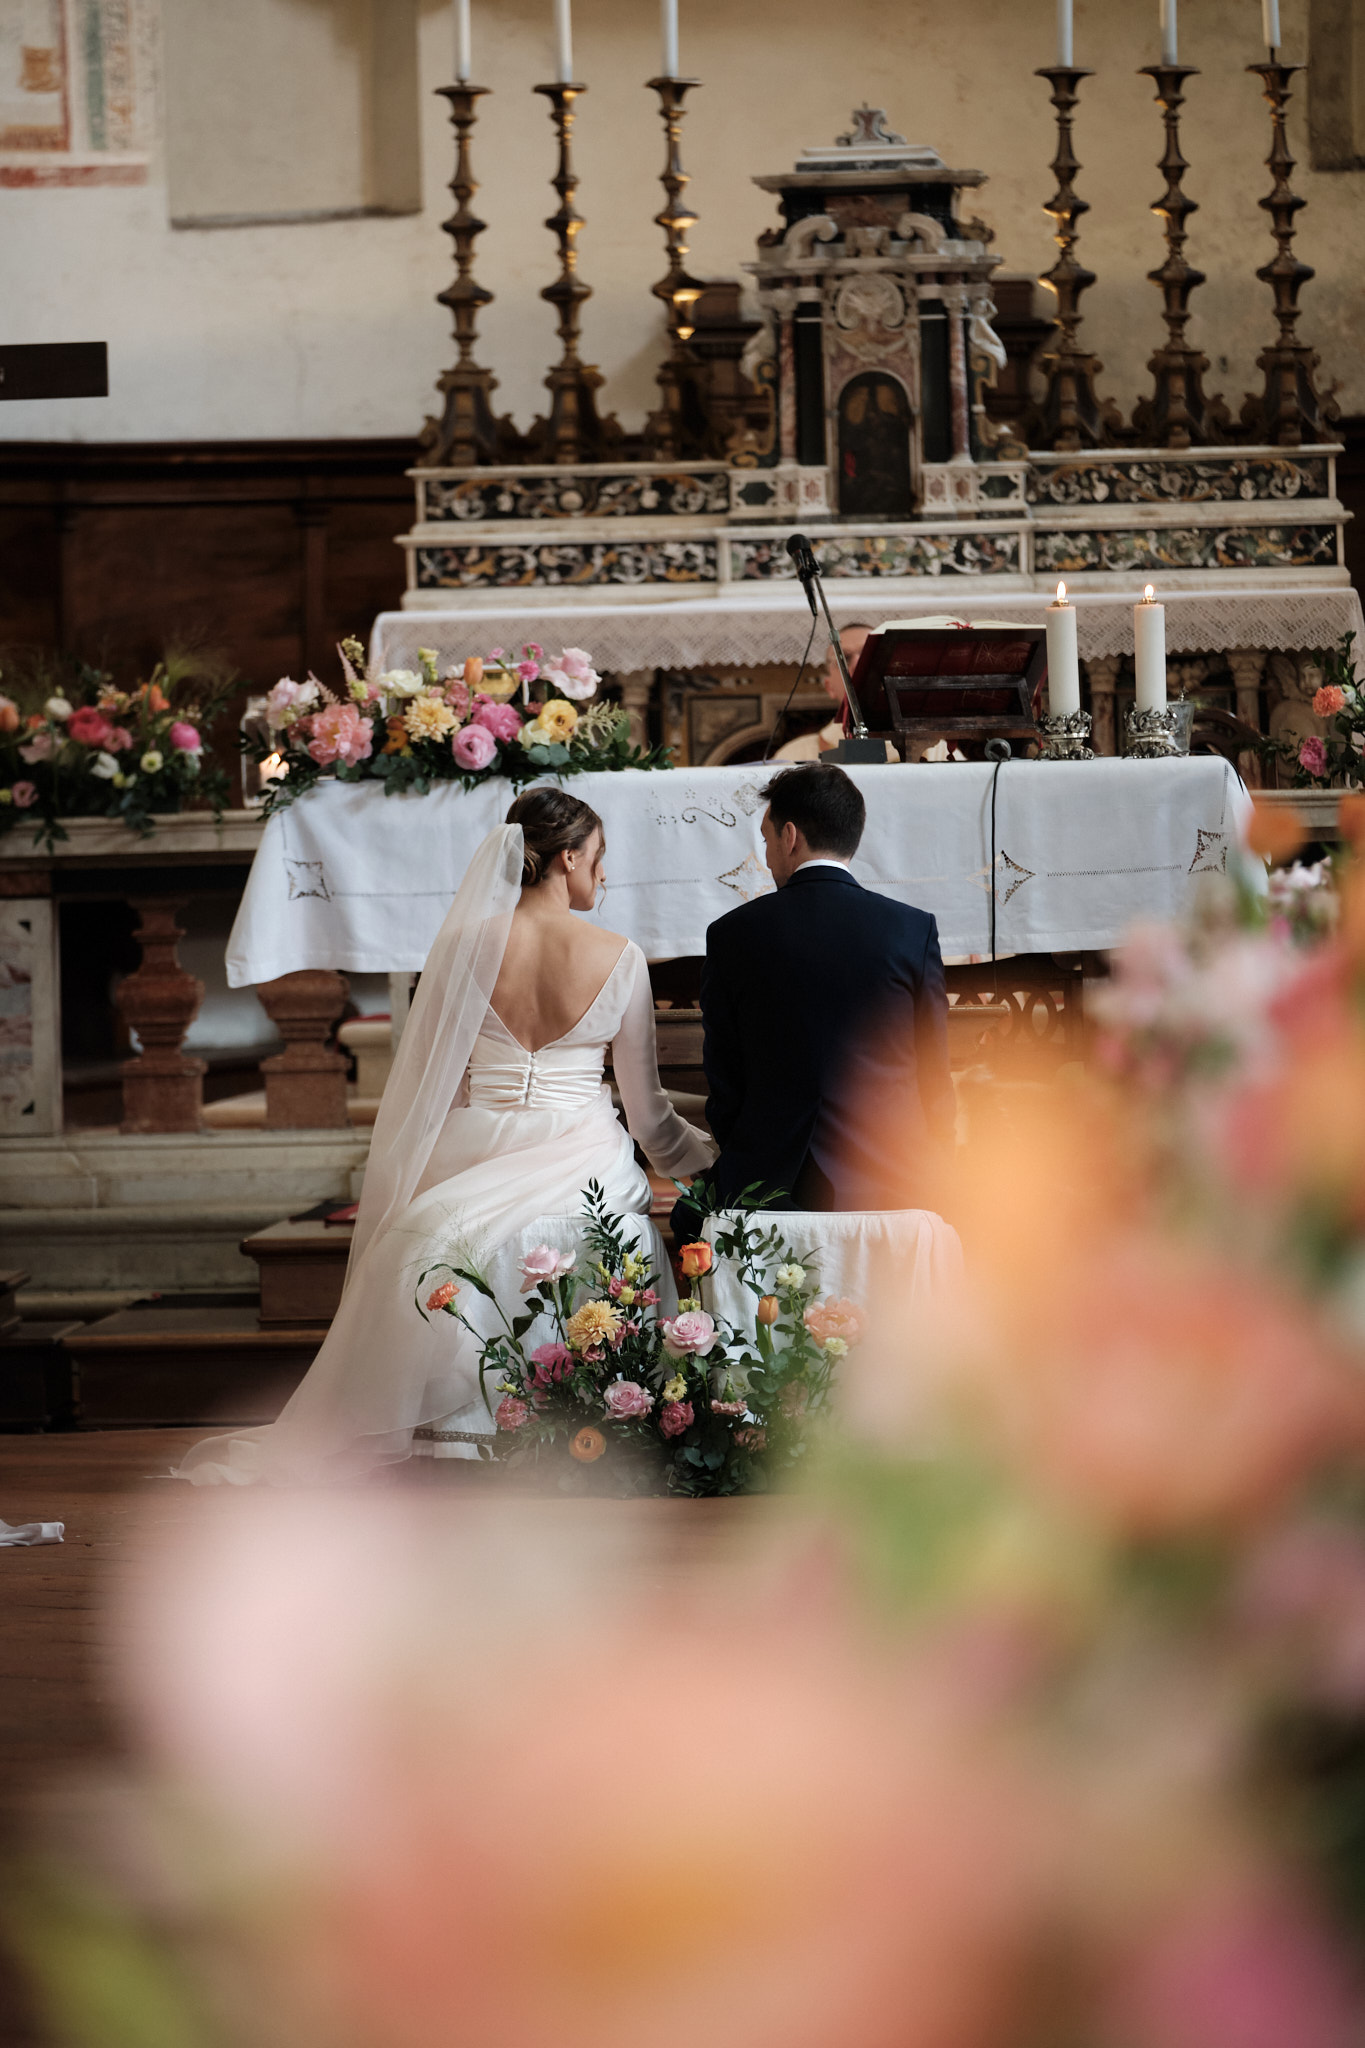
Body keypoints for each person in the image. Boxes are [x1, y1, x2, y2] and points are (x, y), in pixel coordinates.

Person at [178, 790, 715, 1485]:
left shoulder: (463, 945)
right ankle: (596, 1411)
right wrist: (707, 1164)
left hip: (474, 1140)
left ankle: (454, 1430)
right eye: (599, 858)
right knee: (604, 1224)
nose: (603, 877)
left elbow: (436, 1086)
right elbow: (646, 1116)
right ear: (569, 856)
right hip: (583, 1149)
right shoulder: (619, 956)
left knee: (430, 1236)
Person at [673, 763, 953, 1233]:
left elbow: (724, 1080)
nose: (765, 857)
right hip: (896, 1175)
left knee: (686, 1227)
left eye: (765, 841)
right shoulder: (912, 929)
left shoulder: (732, 934)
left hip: (769, 1175)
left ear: (789, 835)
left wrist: (752, 1146)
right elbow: (934, 1071)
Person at [771, 622, 872, 762]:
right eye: (844, 658)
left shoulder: (912, 747)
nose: (858, 664)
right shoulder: (794, 755)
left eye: (870, 653)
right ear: (829, 687)